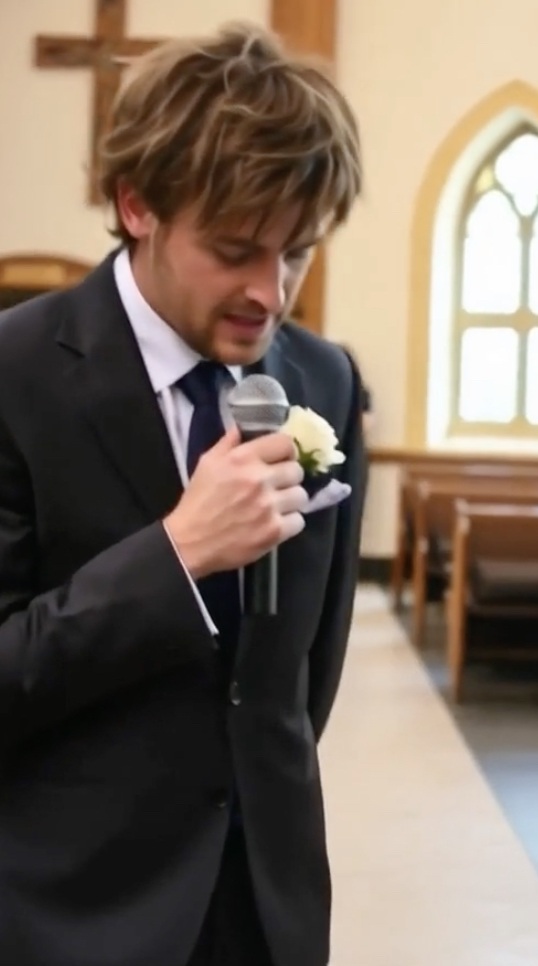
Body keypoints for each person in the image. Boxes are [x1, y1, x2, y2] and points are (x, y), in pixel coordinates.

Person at [0, 24, 365, 966]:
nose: (269, 293)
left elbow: (304, 678)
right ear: (138, 205)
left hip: (263, 906)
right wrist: (174, 557)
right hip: (67, 912)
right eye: (236, 249)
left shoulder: (323, 380)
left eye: (297, 253)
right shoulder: (16, 374)